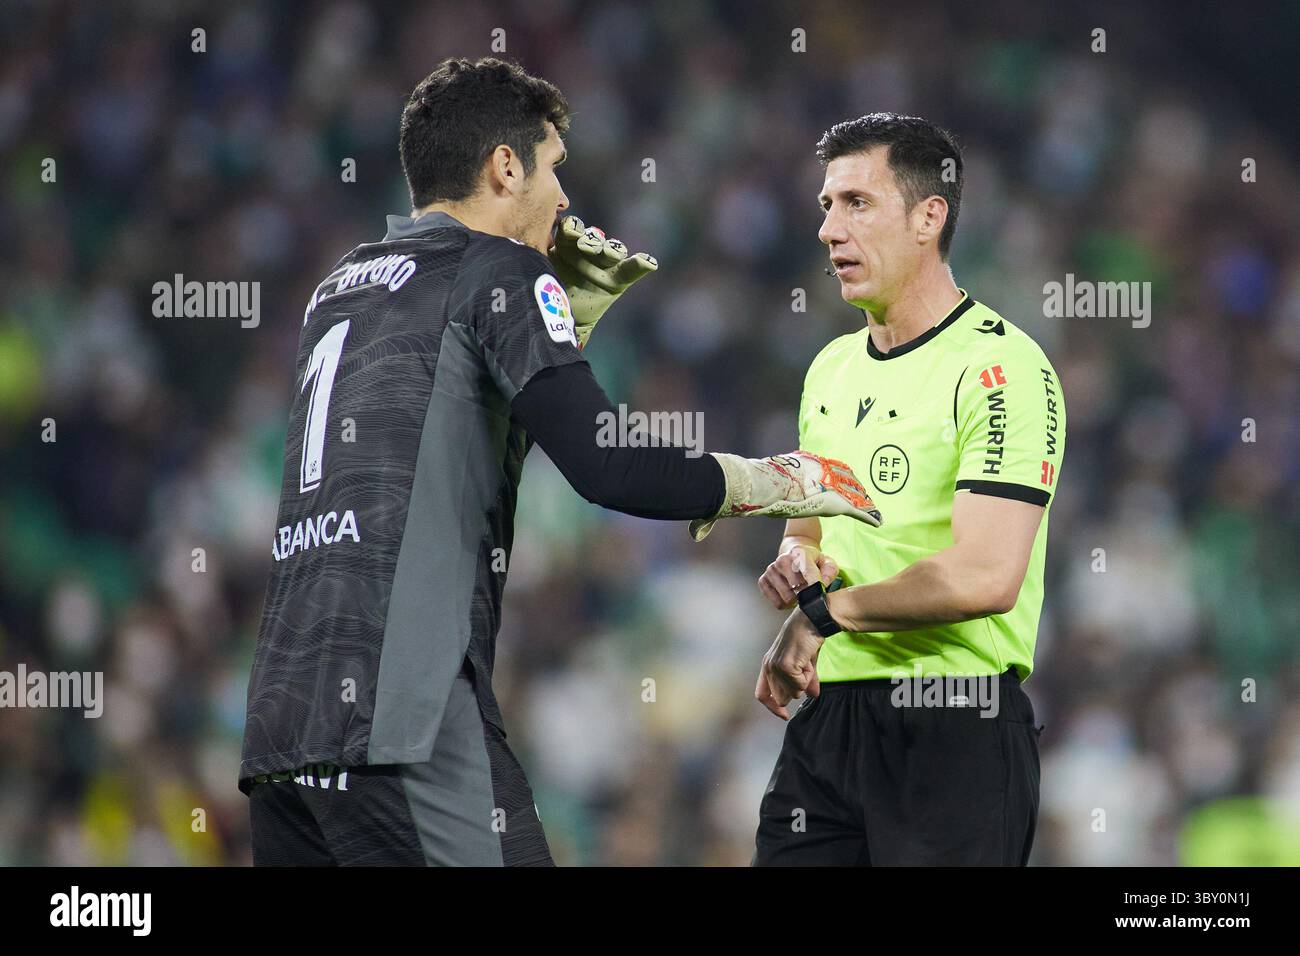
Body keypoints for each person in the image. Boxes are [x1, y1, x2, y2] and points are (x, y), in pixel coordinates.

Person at [240, 57, 881, 866]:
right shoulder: (500, 271)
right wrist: (777, 481)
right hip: (404, 713)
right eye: (552, 166)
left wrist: (561, 332)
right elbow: (608, 467)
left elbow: (444, 435)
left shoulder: (339, 288)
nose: (564, 197)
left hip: (283, 725)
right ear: (505, 166)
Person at [753, 113, 1067, 866]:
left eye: (857, 203)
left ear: (930, 216)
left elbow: (986, 575)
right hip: (830, 725)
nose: (830, 229)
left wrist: (826, 618)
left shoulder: (1003, 369)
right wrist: (799, 563)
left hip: (954, 721)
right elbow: (811, 526)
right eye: (827, 205)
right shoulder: (829, 368)